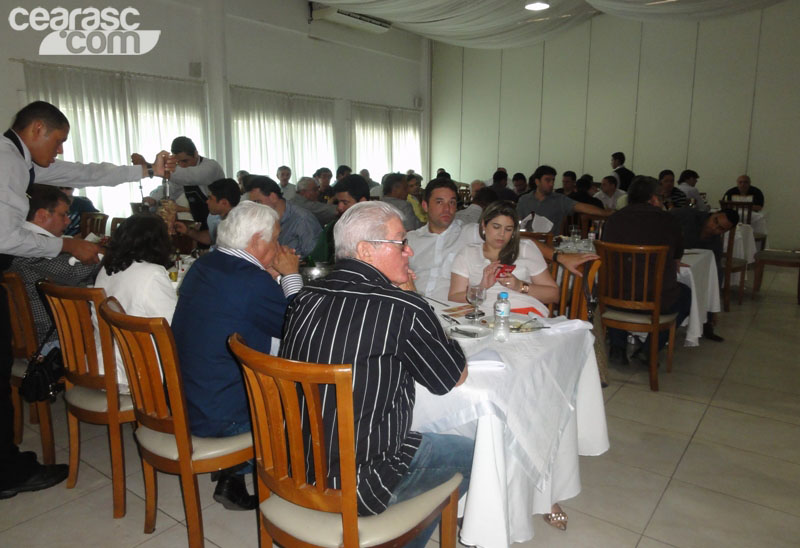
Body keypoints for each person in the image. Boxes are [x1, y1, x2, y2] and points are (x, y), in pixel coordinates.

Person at [0, 100, 170, 499]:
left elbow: (84, 172)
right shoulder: (8, 161)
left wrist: (143, 171)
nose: (59, 152)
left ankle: (6, 460)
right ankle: (6, 472)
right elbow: (6, 235)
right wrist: (66, 244)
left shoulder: (23, 161)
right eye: (58, 141)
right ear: (37, 129)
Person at [280, 201, 471, 547]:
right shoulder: (403, 308)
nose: (409, 251)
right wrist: (432, 317)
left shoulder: (305, 297)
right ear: (366, 250)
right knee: (473, 451)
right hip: (358, 485)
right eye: (401, 242)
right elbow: (450, 378)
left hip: (295, 468)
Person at [172, 201, 302, 511]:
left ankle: (234, 473)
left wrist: (268, 275)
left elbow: (240, 313)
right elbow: (302, 328)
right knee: (305, 390)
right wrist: (290, 276)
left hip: (185, 398)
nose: (280, 245)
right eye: (275, 238)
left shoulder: (205, 265)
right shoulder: (251, 282)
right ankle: (292, 487)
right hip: (223, 417)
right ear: (257, 240)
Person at [602, 177, 692, 365]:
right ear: (653, 199)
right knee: (685, 294)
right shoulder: (668, 221)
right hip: (655, 298)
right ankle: (649, 349)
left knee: (620, 283)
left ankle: (618, 347)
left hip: (614, 296)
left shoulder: (613, 220)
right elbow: (677, 256)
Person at [94, 213, 177, 393]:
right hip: (136, 369)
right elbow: (173, 326)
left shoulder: (107, 268)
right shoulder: (152, 273)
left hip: (104, 362)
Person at [8, 186, 99, 350]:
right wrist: (110, 257)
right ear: (42, 216)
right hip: (53, 338)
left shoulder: (15, 242)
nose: (68, 221)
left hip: (35, 334)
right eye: (63, 215)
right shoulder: (29, 247)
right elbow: (73, 273)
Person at [449, 201, 558, 316]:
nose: (502, 234)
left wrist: (520, 286)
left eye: (508, 229)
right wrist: (482, 288)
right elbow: (454, 297)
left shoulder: (525, 248)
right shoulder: (468, 252)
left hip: (523, 312)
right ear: (484, 225)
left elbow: (554, 295)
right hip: (484, 314)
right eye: (496, 227)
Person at [669, 207, 739, 342]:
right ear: (714, 214)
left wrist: (714, 306)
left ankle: (707, 322)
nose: (714, 228)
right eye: (715, 221)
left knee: (713, 274)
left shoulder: (715, 244)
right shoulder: (687, 215)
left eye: (720, 229)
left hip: (690, 267)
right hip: (668, 258)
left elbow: (714, 274)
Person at [136, 136, 225, 227]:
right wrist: (154, 199)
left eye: (185, 161)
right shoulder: (181, 174)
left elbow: (190, 176)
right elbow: (171, 188)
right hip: (200, 221)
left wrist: (151, 167)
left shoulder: (211, 166)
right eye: (178, 162)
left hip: (220, 221)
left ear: (195, 154)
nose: (182, 165)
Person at [517, 165, 609, 235]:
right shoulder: (524, 200)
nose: (551, 184)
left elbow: (582, 207)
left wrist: (607, 213)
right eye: (548, 180)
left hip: (551, 244)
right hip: (529, 242)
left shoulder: (559, 199)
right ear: (537, 182)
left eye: (553, 180)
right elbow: (517, 223)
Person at [246, 175, 322, 257]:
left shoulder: (303, 219)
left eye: (258, 202)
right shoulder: (261, 220)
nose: (254, 207)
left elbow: (314, 258)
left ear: (273, 197)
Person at [307, 174, 371, 264]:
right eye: (338, 202)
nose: (339, 207)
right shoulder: (332, 228)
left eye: (345, 202)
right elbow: (317, 261)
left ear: (362, 202)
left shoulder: (380, 228)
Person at [175, 177, 241, 247]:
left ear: (224, 203)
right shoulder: (213, 217)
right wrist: (188, 231)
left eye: (210, 198)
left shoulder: (239, 224)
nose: (207, 201)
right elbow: (211, 238)